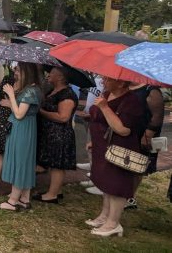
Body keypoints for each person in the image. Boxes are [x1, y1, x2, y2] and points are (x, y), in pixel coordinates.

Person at [86, 77, 144, 237]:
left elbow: (123, 129)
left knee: (117, 184)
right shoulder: (107, 94)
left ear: (121, 83)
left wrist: (104, 107)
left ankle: (113, 223)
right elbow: (101, 120)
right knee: (106, 182)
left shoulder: (131, 101)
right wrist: (95, 140)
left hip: (120, 149)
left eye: (107, 79)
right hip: (103, 146)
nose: (103, 82)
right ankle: (104, 216)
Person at [0, 62, 43, 211]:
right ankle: (24, 198)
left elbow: (19, 114)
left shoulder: (30, 91)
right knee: (25, 161)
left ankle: (13, 201)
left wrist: (11, 95)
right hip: (24, 127)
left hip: (22, 128)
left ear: (27, 72)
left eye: (18, 70)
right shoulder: (31, 88)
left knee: (20, 161)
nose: (15, 73)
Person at [35, 67, 78, 203]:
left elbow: (63, 117)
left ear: (60, 77)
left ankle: (52, 195)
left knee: (57, 165)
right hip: (50, 133)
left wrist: (41, 112)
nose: (48, 75)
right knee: (53, 164)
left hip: (60, 134)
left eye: (52, 73)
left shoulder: (67, 94)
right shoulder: (52, 90)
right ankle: (56, 191)